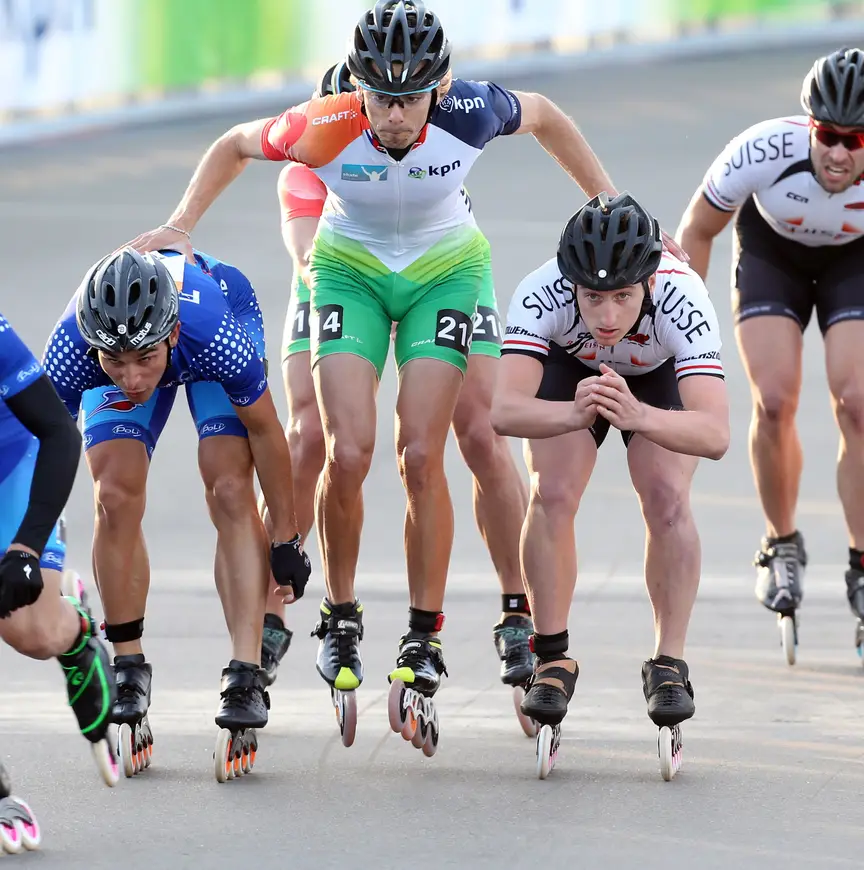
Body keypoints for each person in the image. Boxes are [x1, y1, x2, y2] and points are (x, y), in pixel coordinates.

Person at [127, 1, 684, 749]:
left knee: (427, 450)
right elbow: (234, 145)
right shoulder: (322, 124)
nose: (394, 114)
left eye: (410, 97)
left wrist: (608, 200)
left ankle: (434, 631)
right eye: (380, 96)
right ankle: (340, 615)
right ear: (357, 86)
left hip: (446, 271)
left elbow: (547, 115)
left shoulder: (469, 110)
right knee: (343, 448)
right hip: (348, 270)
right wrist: (181, 224)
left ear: (439, 87)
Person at [262, 58, 534, 705]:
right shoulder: (310, 160)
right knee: (311, 434)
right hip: (340, 270)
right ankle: (272, 610)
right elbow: (307, 259)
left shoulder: (427, 141)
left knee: (480, 431)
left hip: (440, 267)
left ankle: (518, 605)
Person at [41, 247, 311, 774]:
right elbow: (43, 451)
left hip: (214, 326)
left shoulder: (214, 334)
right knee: (114, 493)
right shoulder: (73, 349)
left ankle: (246, 672)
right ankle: (128, 665)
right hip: (143, 339)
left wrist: (286, 538)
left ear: (170, 334)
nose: (131, 378)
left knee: (228, 484)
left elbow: (266, 432)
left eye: (144, 359)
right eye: (115, 361)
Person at [492, 192, 729, 774]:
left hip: (655, 378)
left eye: (623, 296)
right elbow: (503, 411)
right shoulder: (541, 291)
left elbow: (716, 433)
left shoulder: (683, 297)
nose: (606, 316)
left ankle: (669, 663)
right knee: (552, 490)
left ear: (648, 282)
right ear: (569, 283)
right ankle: (551, 657)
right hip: (570, 372)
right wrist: (573, 414)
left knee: (666, 495)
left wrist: (640, 416)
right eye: (592, 297)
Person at [675, 46, 864, 647]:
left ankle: (862, 560)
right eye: (827, 135)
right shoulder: (761, 149)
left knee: (857, 404)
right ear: (809, 126)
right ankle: (780, 543)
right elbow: (696, 231)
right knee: (775, 400)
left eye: (855, 141)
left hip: (854, 262)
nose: (838, 153)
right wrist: (681, 333)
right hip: (772, 256)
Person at [0, 311, 119, 850]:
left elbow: (58, 432)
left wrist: (26, 547)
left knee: (32, 633)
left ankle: (74, 637)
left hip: (10, 462)